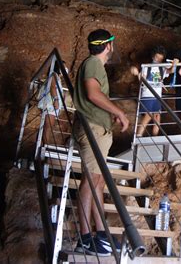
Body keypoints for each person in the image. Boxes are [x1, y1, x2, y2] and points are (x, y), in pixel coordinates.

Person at [73, 29, 129, 256]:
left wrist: (111, 112)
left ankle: (100, 234)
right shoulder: (93, 63)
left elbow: (96, 97)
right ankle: (86, 238)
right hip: (93, 129)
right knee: (91, 180)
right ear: (108, 46)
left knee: (98, 182)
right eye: (111, 44)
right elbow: (93, 94)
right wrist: (120, 112)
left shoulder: (94, 65)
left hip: (99, 128)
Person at [130, 46, 178, 137]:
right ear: (153, 56)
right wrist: (136, 73)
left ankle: (155, 136)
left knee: (157, 116)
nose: (158, 60)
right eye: (157, 57)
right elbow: (141, 79)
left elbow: (170, 71)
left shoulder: (161, 68)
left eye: (160, 58)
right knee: (148, 115)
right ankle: (139, 135)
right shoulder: (147, 67)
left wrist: (174, 64)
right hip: (147, 94)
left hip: (157, 96)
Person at [38, 61, 68, 144]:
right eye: (63, 66)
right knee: (48, 127)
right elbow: (52, 87)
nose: (65, 69)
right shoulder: (54, 74)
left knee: (46, 126)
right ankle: (44, 146)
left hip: (50, 104)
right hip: (50, 104)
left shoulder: (55, 76)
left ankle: (41, 145)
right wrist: (56, 100)